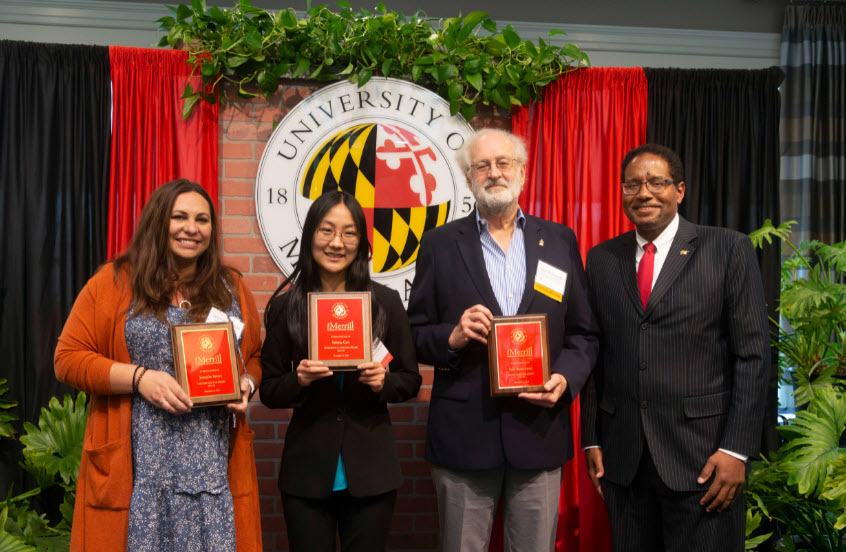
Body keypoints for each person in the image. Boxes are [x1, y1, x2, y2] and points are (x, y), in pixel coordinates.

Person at [406, 128, 599, 552]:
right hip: (464, 435)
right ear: (469, 177)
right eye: (482, 166)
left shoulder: (560, 241)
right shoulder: (440, 244)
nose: (494, 173)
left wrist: (565, 380)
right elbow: (413, 335)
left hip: (539, 432)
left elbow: (584, 333)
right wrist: (452, 337)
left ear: (523, 172)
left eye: (503, 163)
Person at [54, 179, 263, 552]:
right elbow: (68, 358)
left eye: (202, 219)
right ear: (157, 221)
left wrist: (246, 382)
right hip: (142, 473)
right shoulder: (114, 282)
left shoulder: (231, 287)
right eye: (179, 216)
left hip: (214, 473)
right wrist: (139, 378)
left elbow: (254, 358)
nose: (191, 228)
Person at [580, 143, 769, 552]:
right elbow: (596, 353)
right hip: (624, 460)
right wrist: (591, 439)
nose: (643, 193)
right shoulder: (601, 260)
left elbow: (752, 357)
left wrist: (736, 449)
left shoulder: (727, 249)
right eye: (632, 184)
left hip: (704, 462)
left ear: (679, 190)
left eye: (656, 182)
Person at [260, 191, 421, 552]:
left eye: (349, 233)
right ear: (310, 237)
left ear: (362, 242)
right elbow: (269, 390)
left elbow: (410, 380)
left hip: (371, 470)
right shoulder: (286, 307)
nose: (337, 242)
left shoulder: (386, 303)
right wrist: (297, 380)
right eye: (326, 230)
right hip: (307, 471)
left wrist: (383, 382)